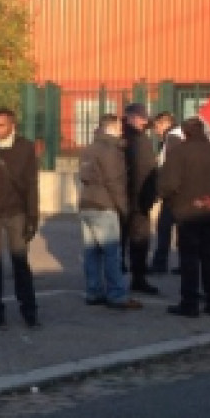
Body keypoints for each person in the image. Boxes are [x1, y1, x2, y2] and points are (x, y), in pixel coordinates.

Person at [161, 117, 210, 317]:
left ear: (185, 133)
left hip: (188, 213)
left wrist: (172, 204)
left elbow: (168, 185)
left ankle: (190, 303)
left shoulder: (179, 153)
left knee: (189, 259)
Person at [0, 108, 40, 328]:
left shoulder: (25, 148)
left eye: (1, 125)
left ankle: (29, 310)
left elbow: (32, 184)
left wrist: (33, 216)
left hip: (17, 212)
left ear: (12, 126)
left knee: (20, 263)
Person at [78, 115, 141, 310]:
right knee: (112, 253)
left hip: (87, 203)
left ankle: (94, 292)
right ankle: (117, 295)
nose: (122, 131)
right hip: (105, 205)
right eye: (119, 127)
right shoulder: (111, 151)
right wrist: (122, 210)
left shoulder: (89, 149)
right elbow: (115, 182)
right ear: (111, 128)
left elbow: (84, 176)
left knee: (92, 253)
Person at [121, 103, 160, 295]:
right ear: (131, 117)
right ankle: (134, 278)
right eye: (141, 118)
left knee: (134, 241)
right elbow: (141, 172)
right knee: (135, 240)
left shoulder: (134, 138)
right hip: (134, 199)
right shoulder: (130, 139)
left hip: (135, 198)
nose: (145, 121)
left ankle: (136, 277)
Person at [150, 111, 180, 274]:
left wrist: (161, 190)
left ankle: (160, 263)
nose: (156, 131)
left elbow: (169, 167)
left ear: (165, 123)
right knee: (180, 228)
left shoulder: (172, 138)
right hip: (181, 191)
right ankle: (182, 263)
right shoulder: (178, 135)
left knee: (164, 227)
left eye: (157, 126)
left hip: (172, 192)